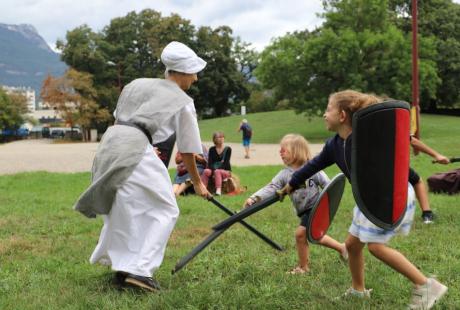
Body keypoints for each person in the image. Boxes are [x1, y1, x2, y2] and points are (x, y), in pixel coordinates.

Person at [282, 90, 447, 309]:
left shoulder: (368, 138)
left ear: (342, 116)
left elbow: (402, 142)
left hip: (387, 195)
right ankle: (358, 291)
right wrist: (291, 184)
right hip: (367, 198)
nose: (323, 114)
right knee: (351, 245)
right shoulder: (333, 145)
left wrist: (434, 155)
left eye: (328, 109)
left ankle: (426, 285)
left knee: (376, 247)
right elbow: (313, 165)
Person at [74, 41, 210, 292]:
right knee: (166, 208)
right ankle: (141, 271)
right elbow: (189, 150)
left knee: (125, 208)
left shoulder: (136, 84)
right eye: (193, 71)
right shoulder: (182, 100)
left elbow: (121, 119)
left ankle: (123, 268)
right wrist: (199, 184)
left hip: (111, 144)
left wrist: (144, 144)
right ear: (180, 72)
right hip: (134, 148)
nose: (196, 78)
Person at [243, 134, 347, 274]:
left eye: (284, 149)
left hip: (316, 208)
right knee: (314, 236)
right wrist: (254, 197)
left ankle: (303, 268)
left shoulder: (312, 169)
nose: (280, 152)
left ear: (297, 151)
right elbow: (272, 187)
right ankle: (342, 248)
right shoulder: (284, 174)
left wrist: (327, 207)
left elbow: (329, 186)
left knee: (300, 234)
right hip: (303, 211)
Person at [409, 136, 451, 224]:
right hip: (391, 164)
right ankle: (427, 214)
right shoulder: (391, 125)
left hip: (373, 165)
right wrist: (437, 155)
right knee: (417, 181)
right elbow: (412, 141)